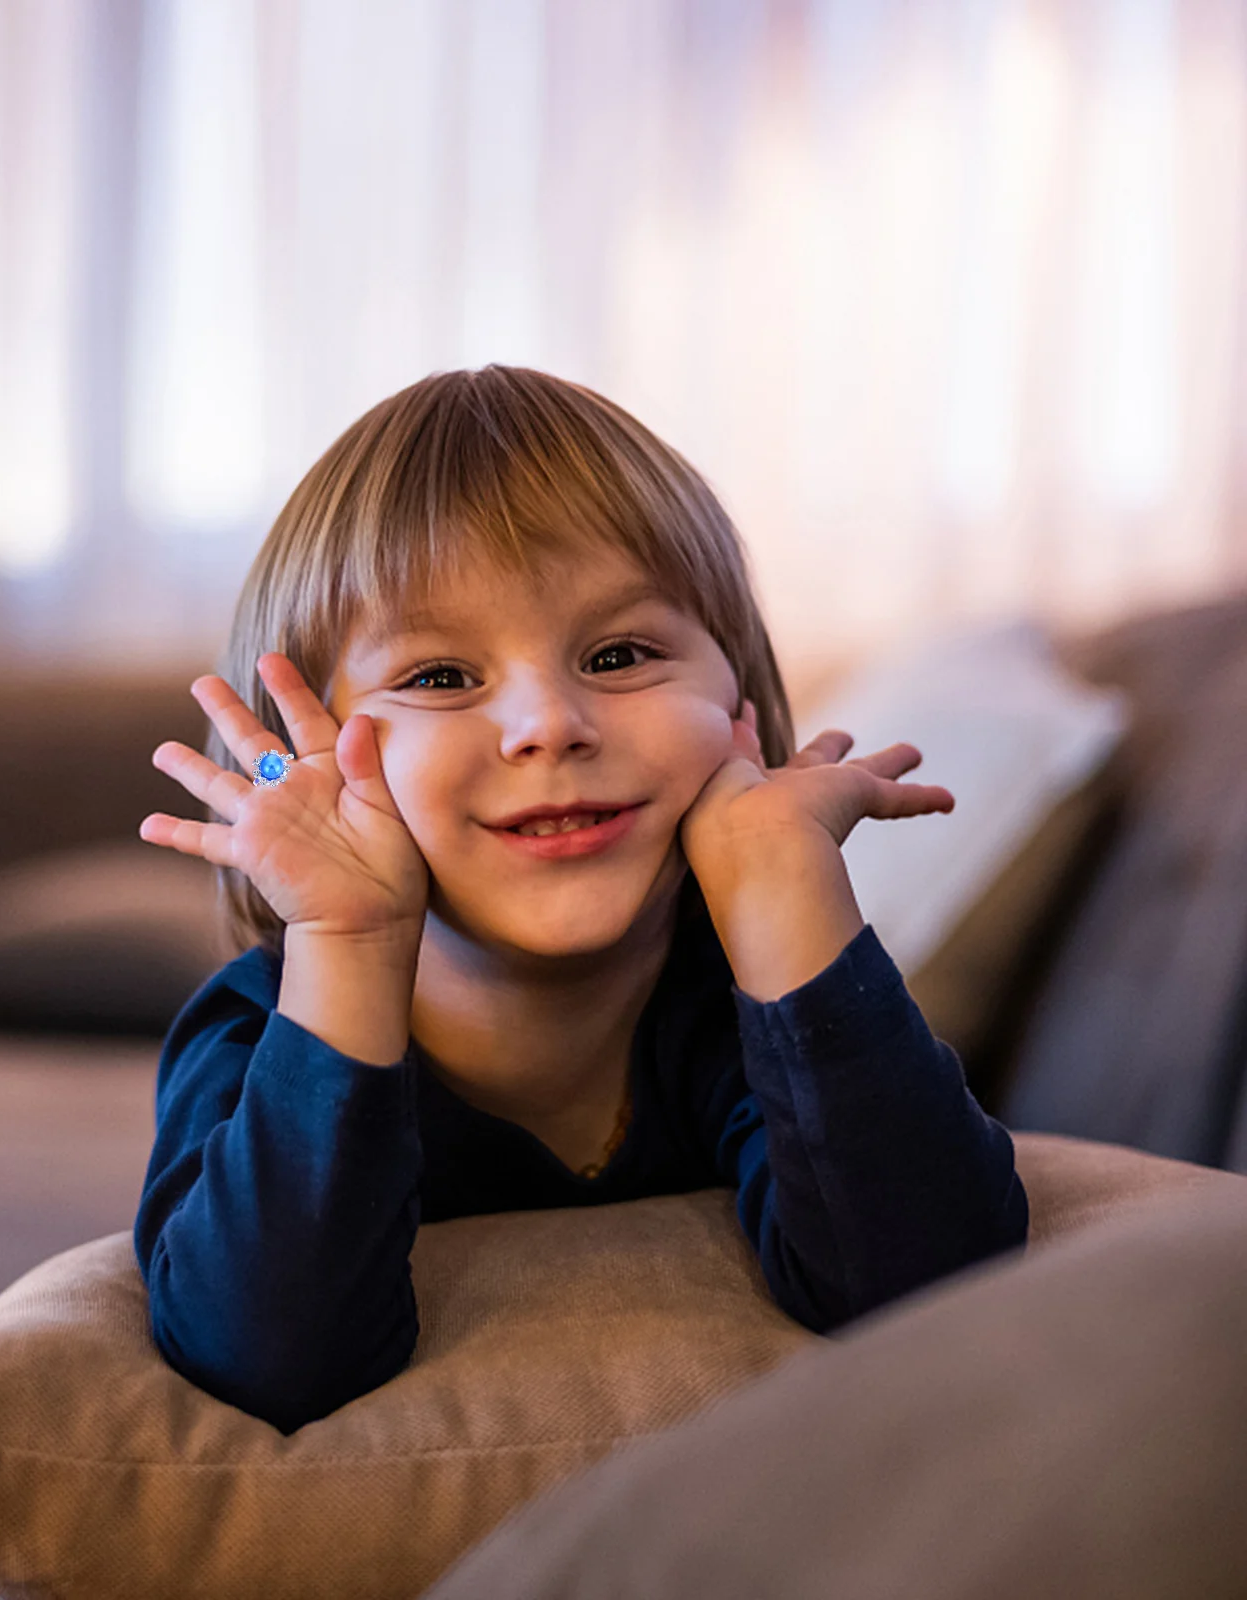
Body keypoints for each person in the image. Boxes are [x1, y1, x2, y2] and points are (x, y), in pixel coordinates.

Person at [134, 365, 1029, 1436]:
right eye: (438, 677)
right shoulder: (255, 1029)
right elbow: (267, 1358)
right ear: (301, 758)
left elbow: (935, 1290)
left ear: (741, 711)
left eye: (618, 654)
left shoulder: (738, 1006)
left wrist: (787, 892)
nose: (548, 723)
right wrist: (350, 938)